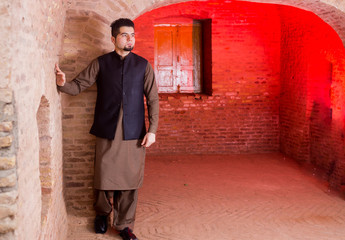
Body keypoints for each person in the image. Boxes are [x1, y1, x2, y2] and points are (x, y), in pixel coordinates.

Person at [55, 18, 159, 240]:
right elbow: (79, 85)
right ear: (113, 39)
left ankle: (124, 225)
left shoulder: (143, 65)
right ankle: (102, 214)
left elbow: (153, 99)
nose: (129, 39)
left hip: (135, 132)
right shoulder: (101, 63)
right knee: (103, 177)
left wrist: (152, 130)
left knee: (130, 181)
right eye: (124, 35)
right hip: (107, 129)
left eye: (132, 35)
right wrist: (62, 83)